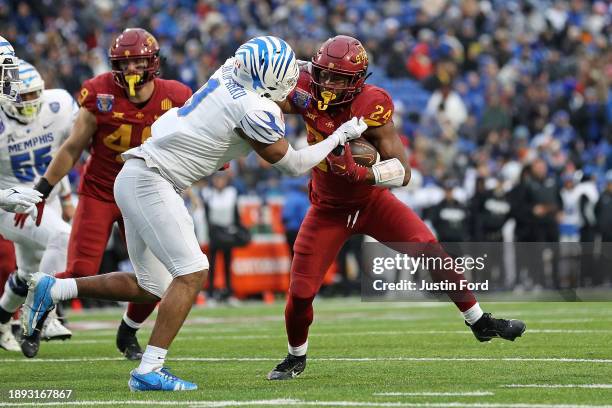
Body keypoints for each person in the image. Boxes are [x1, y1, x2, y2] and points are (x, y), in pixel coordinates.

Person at [22, 36, 367, 391]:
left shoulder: (230, 71)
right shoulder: (253, 109)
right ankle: (149, 370)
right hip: (151, 180)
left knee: (150, 286)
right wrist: (339, 135)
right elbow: (293, 164)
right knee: (193, 272)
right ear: (271, 77)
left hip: (137, 174)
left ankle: (55, 288)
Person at [268, 35, 525, 380]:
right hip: (327, 209)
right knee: (300, 293)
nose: (328, 84)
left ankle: (478, 320)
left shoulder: (371, 105)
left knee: (429, 248)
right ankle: (295, 356)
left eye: (339, 78)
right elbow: (269, 102)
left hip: (371, 202)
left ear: (357, 81)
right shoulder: (305, 88)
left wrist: (363, 172)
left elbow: (403, 172)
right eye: (324, 75)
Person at [15, 28, 192, 360]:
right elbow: (71, 149)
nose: (132, 70)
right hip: (101, 191)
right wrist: (42, 190)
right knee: (81, 271)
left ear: (153, 63)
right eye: (125, 64)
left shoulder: (177, 96)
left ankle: (128, 330)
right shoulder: (99, 93)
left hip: (145, 193)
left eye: (139, 62)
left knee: (162, 277)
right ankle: (37, 310)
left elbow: (192, 140)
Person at [0, 60, 76, 356]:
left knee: (26, 273)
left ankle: (3, 320)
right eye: (22, 96)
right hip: (11, 205)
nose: (30, 102)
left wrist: (66, 196)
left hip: (48, 199)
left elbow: (64, 153)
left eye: (34, 94)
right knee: (62, 238)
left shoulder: (58, 105)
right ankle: (44, 313)